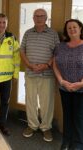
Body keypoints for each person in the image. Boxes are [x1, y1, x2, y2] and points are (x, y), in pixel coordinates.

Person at [20, 8, 59, 142]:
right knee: (30, 101)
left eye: (42, 16)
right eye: (36, 16)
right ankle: (32, 125)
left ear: (46, 17)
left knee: (47, 102)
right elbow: (22, 51)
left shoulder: (53, 34)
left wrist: (47, 65)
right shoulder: (27, 33)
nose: (39, 18)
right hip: (30, 73)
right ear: (33, 18)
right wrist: (30, 65)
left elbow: (57, 53)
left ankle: (46, 127)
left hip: (47, 73)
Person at [53, 19, 83, 150]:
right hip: (64, 88)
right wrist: (61, 81)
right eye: (69, 28)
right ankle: (66, 140)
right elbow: (55, 64)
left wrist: (81, 84)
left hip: (81, 89)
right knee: (67, 115)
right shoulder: (61, 46)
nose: (72, 30)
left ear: (80, 28)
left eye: (74, 27)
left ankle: (78, 143)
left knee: (79, 116)